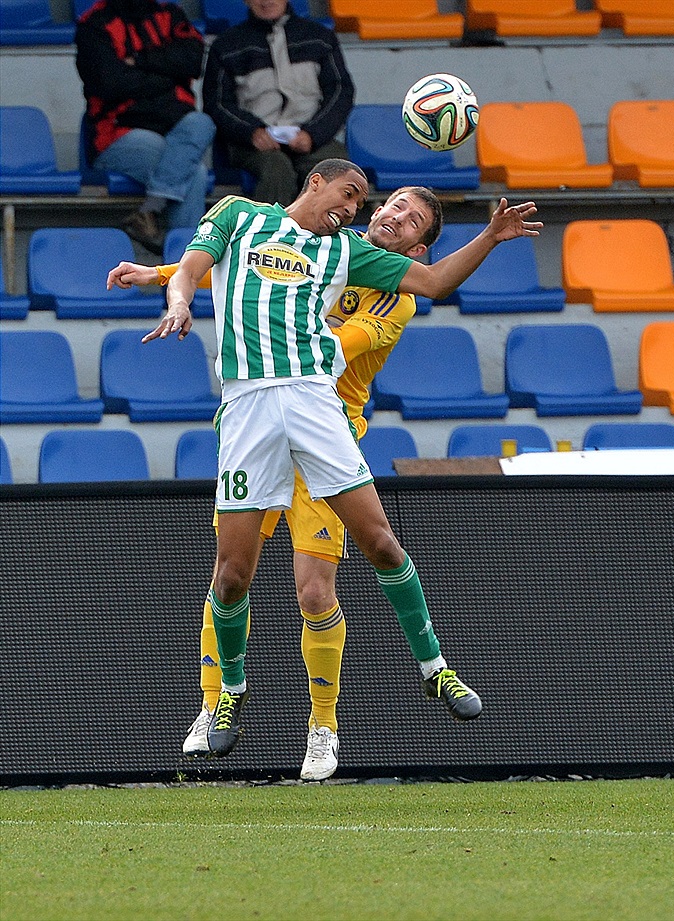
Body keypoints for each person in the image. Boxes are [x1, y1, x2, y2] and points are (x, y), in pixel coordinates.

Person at [108, 158, 542, 776]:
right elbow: (214, 265)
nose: (376, 211)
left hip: (321, 410)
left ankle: (389, 692)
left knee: (348, 567)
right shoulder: (247, 219)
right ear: (314, 182)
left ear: (417, 242)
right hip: (250, 411)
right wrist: (164, 282)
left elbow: (408, 300)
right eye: (373, 200)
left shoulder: (365, 272)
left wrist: (491, 237)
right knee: (231, 575)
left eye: (401, 215)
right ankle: (221, 699)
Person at [75, 0, 216, 254]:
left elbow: (193, 60)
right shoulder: (94, 23)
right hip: (118, 132)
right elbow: (110, 83)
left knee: (202, 122)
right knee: (195, 175)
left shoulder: (171, 15)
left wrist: (139, 60)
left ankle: (151, 211)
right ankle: (184, 273)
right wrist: (166, 78)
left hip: (176, 130)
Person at [202, 0, 354, 207]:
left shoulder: (320, 38)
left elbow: (340, 92)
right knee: (276, 168)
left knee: (334, 168)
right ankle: (270, 237)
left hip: (311, 136)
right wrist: (252, 132)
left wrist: (313, 134)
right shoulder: (226, 45)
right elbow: (216, 103)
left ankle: (328, 236)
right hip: (252, 143)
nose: (267, 1)